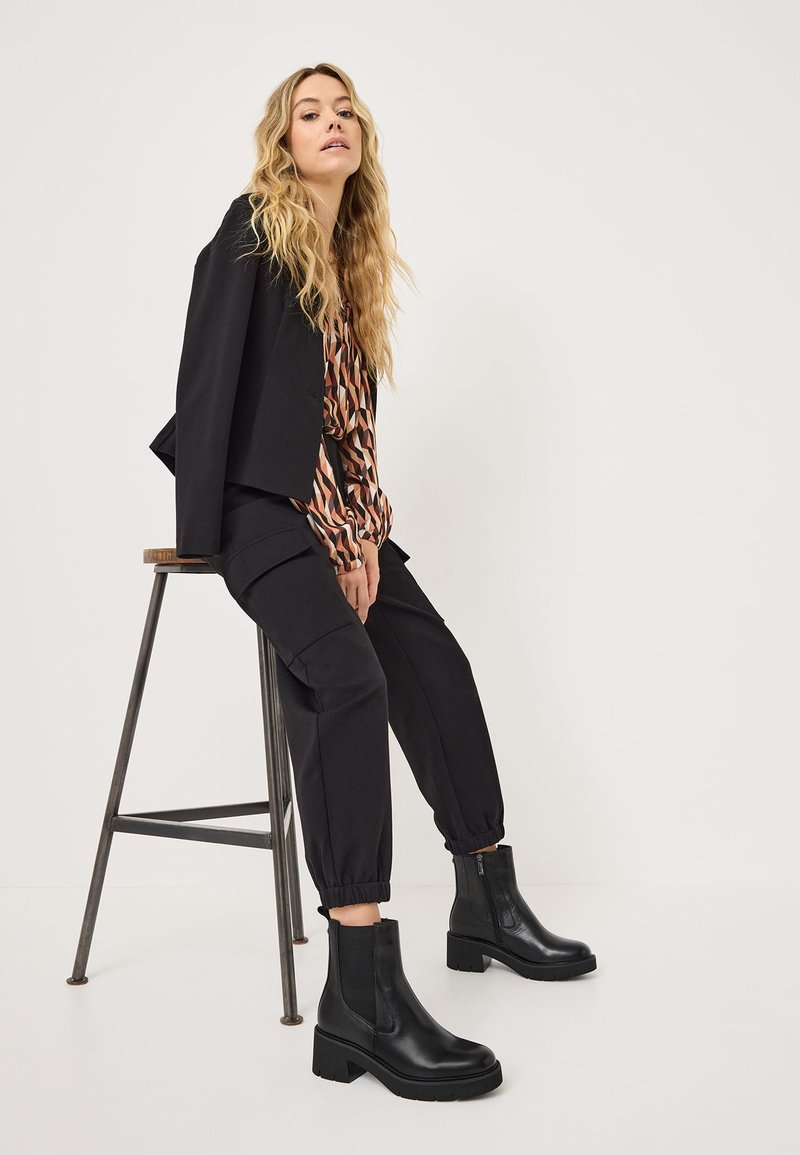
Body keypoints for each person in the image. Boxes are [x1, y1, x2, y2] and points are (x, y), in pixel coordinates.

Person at [148, 63, 596, 1101]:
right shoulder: (249, 233)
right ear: (281, 140)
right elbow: (213, 388)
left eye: (344, 110)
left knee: (432, 663)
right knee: (348, 680)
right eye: (309, 113)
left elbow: (347, 431)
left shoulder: (346, 258)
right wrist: (267, 533)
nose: (331, 123)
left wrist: (362, 532)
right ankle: (360, 989)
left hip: (334, 519)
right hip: (255, 513)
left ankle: (484, 896)